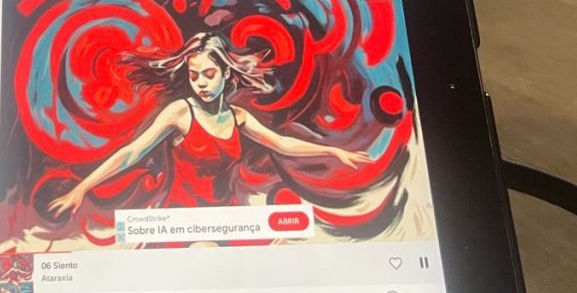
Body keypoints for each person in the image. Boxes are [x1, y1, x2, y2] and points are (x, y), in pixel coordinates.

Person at [49, 32, 370, 217]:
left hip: (227, 214)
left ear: (226, 74)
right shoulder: (180, 112)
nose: (200, 83)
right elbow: (131, 152)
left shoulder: (238, 117)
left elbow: (282, 143)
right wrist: (82, 188)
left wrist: (332, 151)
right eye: (194, 75)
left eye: (209, 74)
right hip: (181, 217)